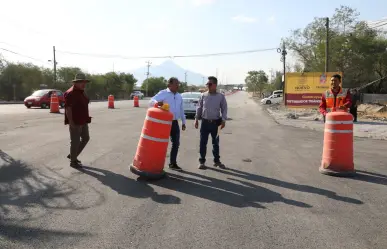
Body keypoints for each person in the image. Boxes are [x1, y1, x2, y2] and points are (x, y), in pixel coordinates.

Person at [149, 77, 186, 171]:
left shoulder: (179, 96)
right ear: (169, 85)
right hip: (164, 122)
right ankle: (154, 163)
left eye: (178, 84)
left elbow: (181, 109)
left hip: (174, 122)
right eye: (176, 84)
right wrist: (157, 103)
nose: (178, 86)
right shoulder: (163, 93)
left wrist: (183, 122)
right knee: (159, 143)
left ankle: (173, 163)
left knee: (176, 143)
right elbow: (151, 101)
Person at [195, 76, 228, 170]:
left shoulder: (220, 96)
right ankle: (202, 162)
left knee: (216, 143)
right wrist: (196, 119)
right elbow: (199, 107)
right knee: (202, 143)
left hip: (216, 123)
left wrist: (223, 120)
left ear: (215, 85)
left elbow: (224, 108)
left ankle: (216, 161)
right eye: (207, 84)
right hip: (205, 123)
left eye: (209, 84)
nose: (208, 86)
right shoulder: (203, 95)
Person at [64, 73, 91, 169]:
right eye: (80, 82)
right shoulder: (70, 93)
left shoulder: (82, 91)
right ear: (75, 83)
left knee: (86, 138)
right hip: (75, 121)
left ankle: (73, 155)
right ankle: (73, 161)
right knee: (75, 141)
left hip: (83, 120)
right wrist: (71, 122)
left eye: (84, 82)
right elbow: (68, 109)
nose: (83, 84)